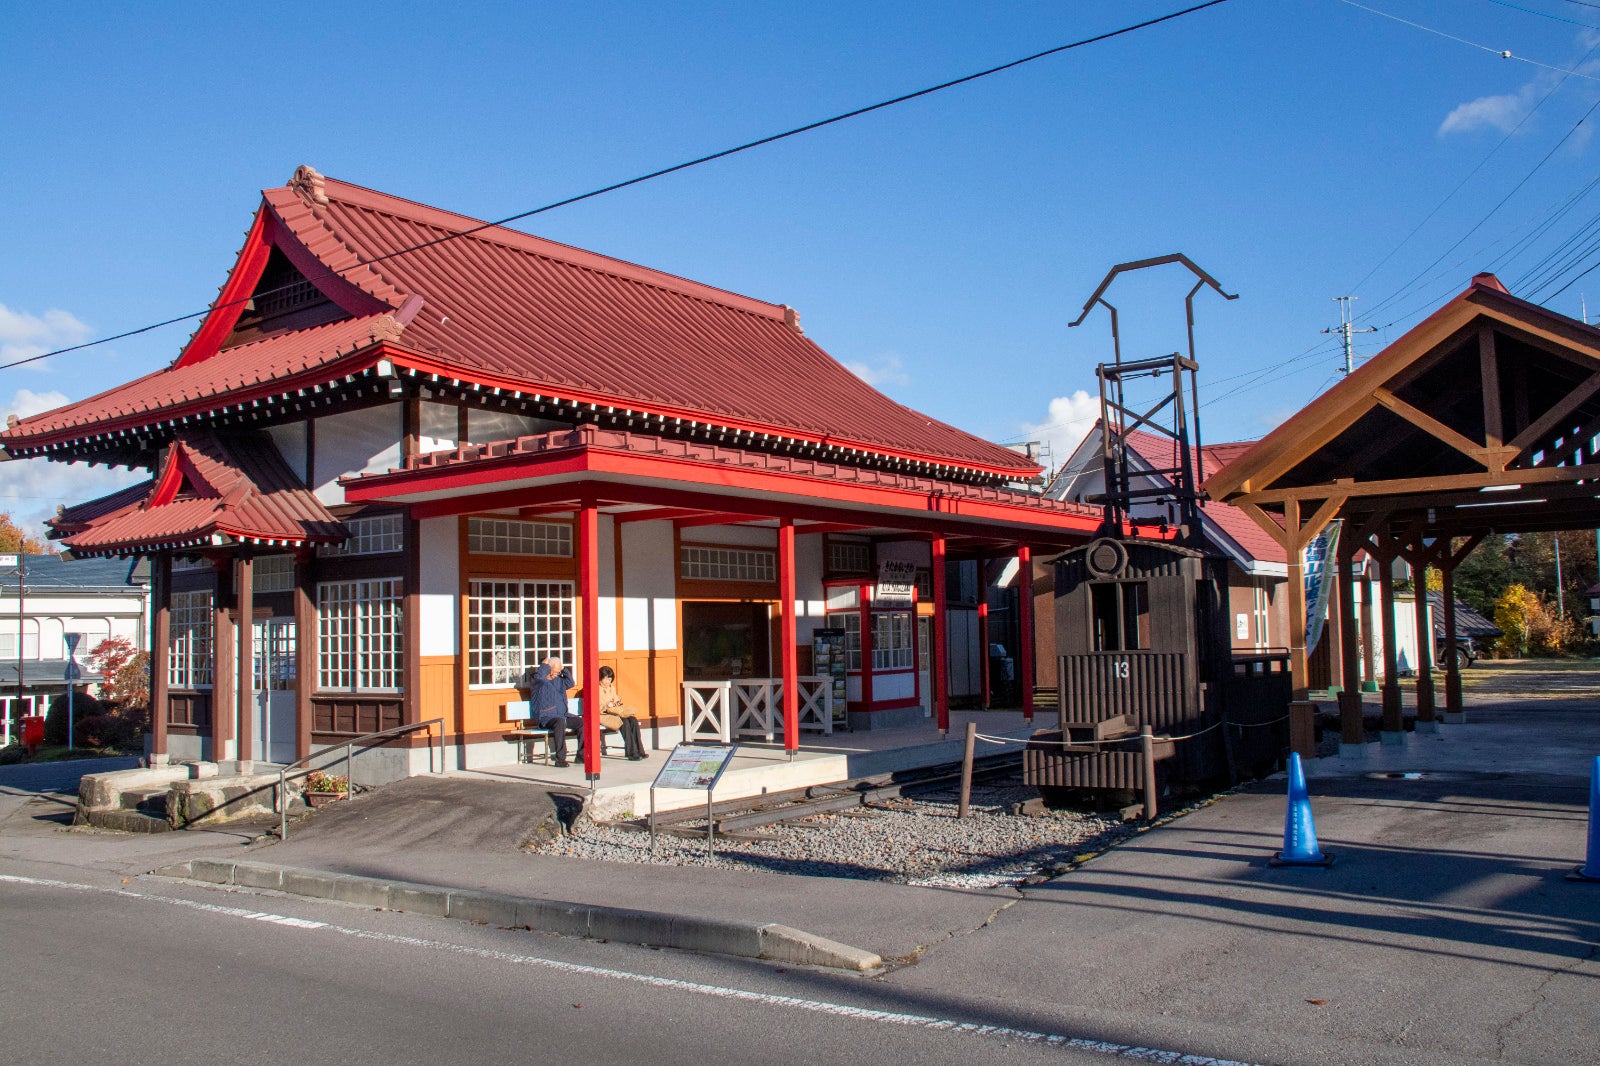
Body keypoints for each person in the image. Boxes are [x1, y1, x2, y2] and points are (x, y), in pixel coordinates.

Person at [520, 656, 574, 767]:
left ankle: (581, 755)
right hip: (546, 718)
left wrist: (563, 669)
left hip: (561, 715)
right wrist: (544, 666)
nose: (556, 674)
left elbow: (570, 683)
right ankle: (560, 759)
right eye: (555, 671)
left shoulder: (558, 681)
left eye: (558, 672)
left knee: (581, 722)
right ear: (547, 668)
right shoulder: (537, 681)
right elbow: (540, 677)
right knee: (560, 722)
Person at [596, 665, 648, 761]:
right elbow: (595, 707)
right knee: (623, 722)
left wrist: (618, 702)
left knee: (633, 720)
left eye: (610, 679)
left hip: (613, 712)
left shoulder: (611, 687)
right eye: (606, 679)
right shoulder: (595, 689)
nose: (608, 681)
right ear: (600, 678)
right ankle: (632, 752)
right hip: (602, 715)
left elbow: (616, 699)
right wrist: (607, 706)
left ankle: (640, 750)